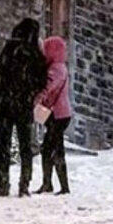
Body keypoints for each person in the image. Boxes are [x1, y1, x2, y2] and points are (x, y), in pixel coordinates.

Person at [0, 17, 47, 196]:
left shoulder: (9, 48)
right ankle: (25, 184)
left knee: (4, 145)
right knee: (25, 146)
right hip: (23, 105)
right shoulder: (35, 54)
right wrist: (28, 93)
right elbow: (41, 80)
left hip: (6, 103)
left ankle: (4, 184)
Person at [33, 35, 72, 194]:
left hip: (58, 115)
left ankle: (54, 185)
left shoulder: (56, 68)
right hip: (58, 114)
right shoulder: (58, 66)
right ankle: (56, 185)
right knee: (54, 147)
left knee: (50, 148)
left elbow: (49, 87)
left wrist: (36, 97)